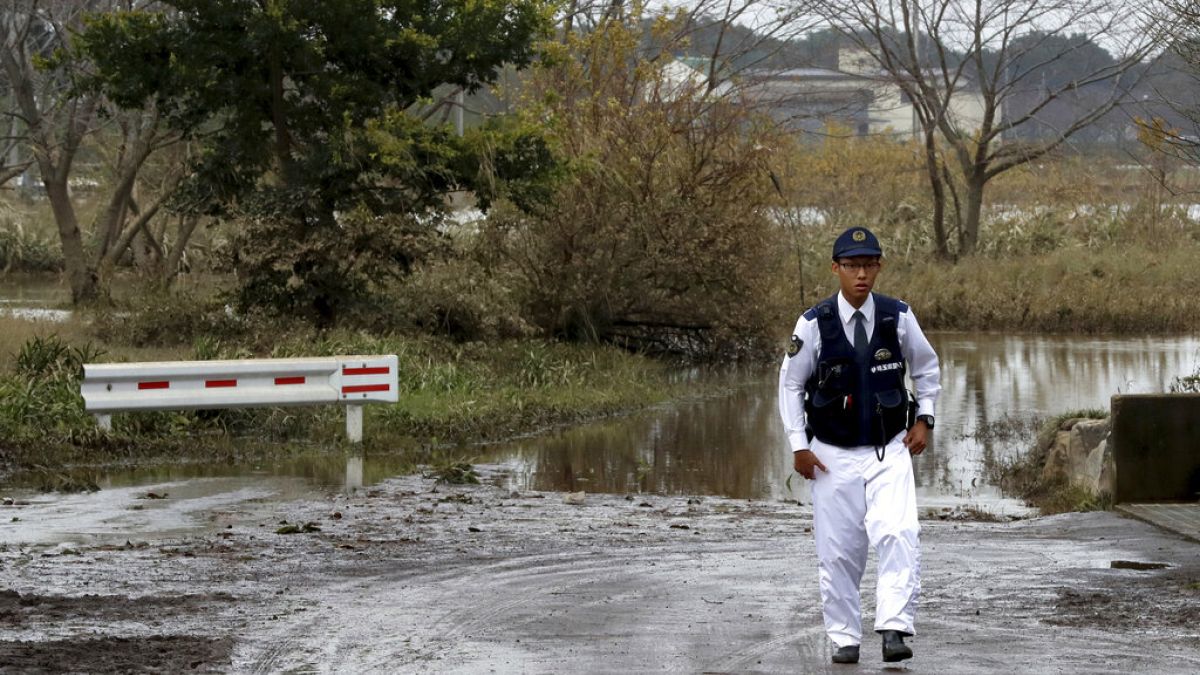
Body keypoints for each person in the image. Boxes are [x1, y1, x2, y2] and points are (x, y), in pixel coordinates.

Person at [777, 226, 941, 665]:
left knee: (899, 534)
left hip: (889, 449)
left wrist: (924, 419)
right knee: (839, 551)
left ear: (879, 266)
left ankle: (894, 628)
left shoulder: (897, 317)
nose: (861, 274)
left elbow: (926, 369)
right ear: (836, 269)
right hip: (830, 454)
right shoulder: (814, 325)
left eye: (869, 264)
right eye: (852, 266)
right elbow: (790, 386)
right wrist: (799, 446)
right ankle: (845, 637)